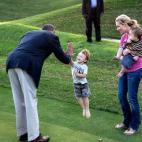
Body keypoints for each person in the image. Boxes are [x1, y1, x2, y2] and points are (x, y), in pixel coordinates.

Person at [6, 24, 74, 142]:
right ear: (53, 32)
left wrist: (63, 53)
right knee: (30, 101)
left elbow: (30, 48)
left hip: (11, 61)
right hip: (26, 65)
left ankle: (24, 134)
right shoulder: (52, 37)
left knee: (20, 101)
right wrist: (69, 54)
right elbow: (63, 58)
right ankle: (35, 137)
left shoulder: (29, 34)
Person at [115, 14, 142, 135]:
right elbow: (120, 53)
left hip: (135, 71)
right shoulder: (123, 37)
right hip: (124, 70)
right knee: (121, 95)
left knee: (132, 98)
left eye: (118, 26)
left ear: (125, 24)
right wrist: (120, 57)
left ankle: (134, 126)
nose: (117, 28)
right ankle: (126, 122)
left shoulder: (138, 34)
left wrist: (130, 50)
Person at [71, 49, 91, 118]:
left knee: (85, 96)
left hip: (84, 84)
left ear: (85, 60)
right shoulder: (74, 64)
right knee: (78, 97)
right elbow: (69, 61)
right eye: (78, 55)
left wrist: (77, 74)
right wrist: (69, 55)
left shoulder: (85, 67)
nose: (79, 57)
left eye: (81, 56)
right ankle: (84, 108)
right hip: (76, 84)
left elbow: (84, 75)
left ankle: (87, 109)